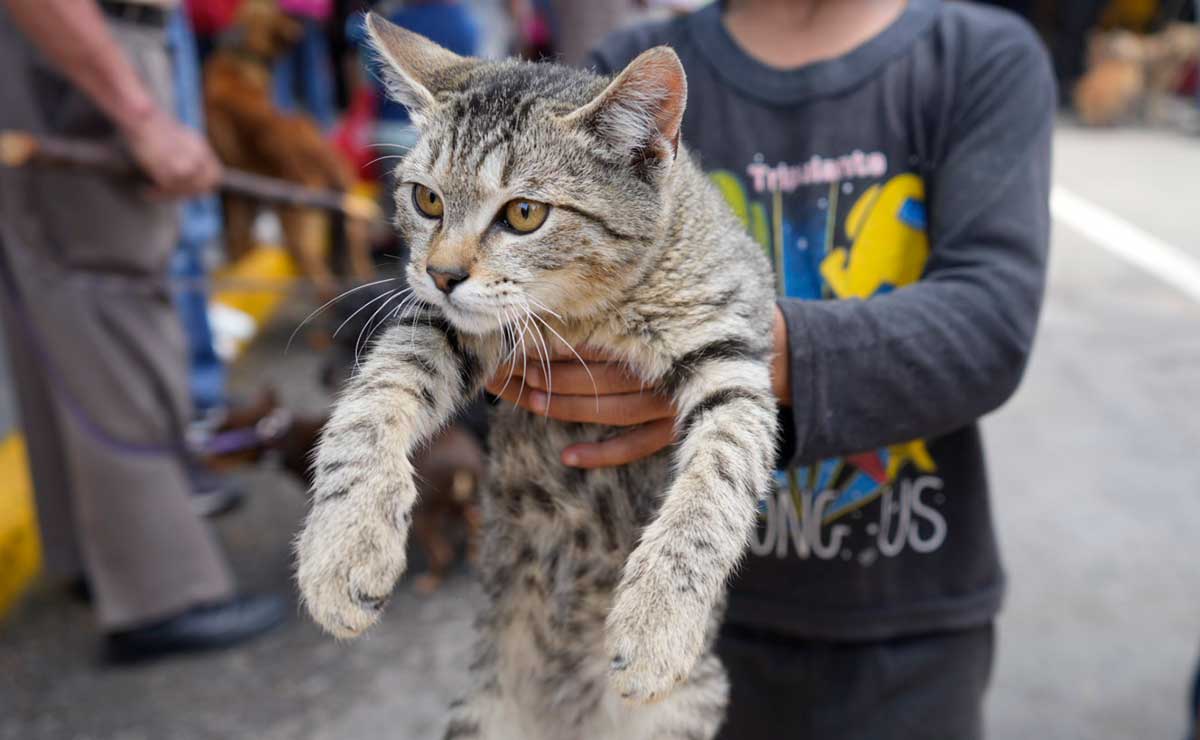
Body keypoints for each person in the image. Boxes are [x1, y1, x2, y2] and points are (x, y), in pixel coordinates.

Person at [487, 0, 1054, 736]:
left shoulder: (977, 56)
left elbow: (989, 323)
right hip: (656, 622)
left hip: (906, 620)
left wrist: (745, 349)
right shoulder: (625, 71)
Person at [0, 0, 285, 661]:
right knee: (112, 310)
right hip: (78, 55)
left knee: (68, 311)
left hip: (76, 52)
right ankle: (163, 593)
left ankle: (96, 560)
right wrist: (139, 113)